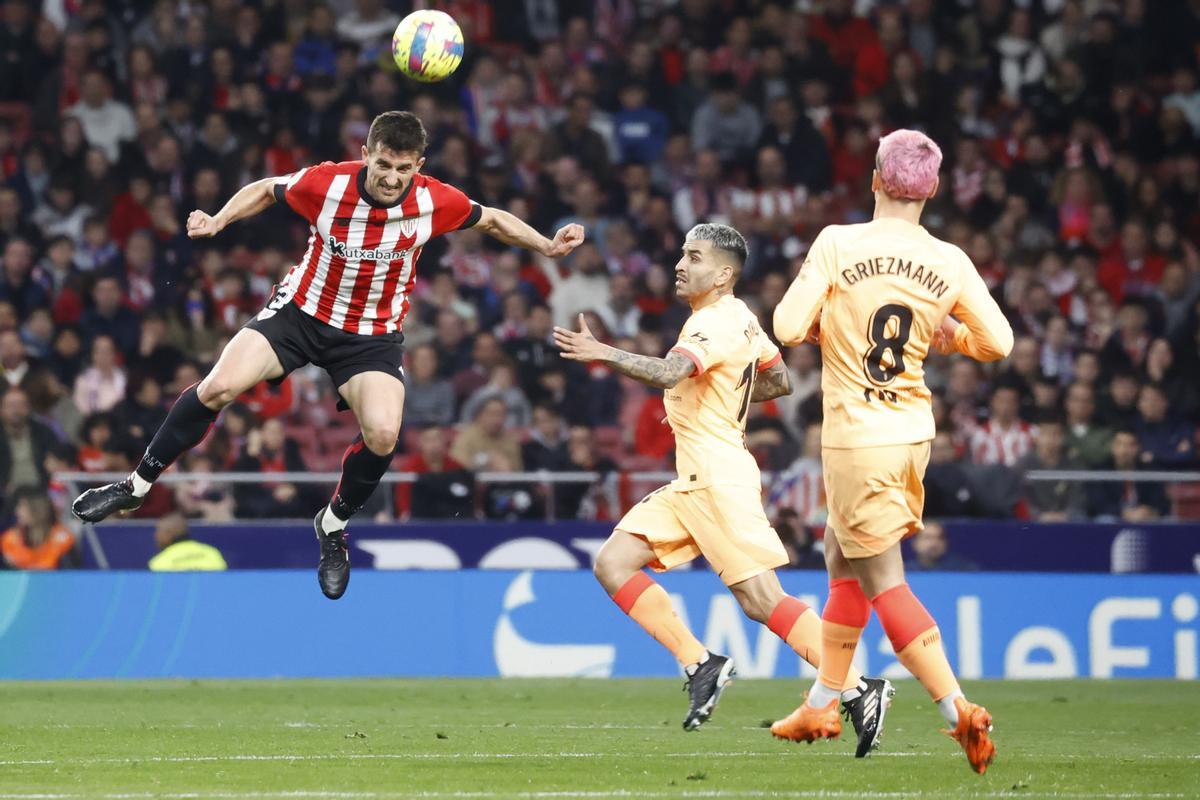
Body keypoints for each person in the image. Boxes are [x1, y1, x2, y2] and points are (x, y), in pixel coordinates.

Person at [71, 111, 583, 600]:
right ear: (366, 154)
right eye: (383, 164)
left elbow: (490, 219)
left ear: (419, 167)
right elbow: (265, 189)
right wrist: (219, 219)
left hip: (370, 335)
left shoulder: (434, 200)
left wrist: (546, 246)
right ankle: (137, 485)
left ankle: (332, 525)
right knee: (219, 386)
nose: (391, 177)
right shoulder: (328, 183)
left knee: (383, 433)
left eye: (404, 169)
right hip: (300, 312)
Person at [555, 223, 891, 755]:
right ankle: (700, 662)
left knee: (762, 600)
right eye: (682, 253)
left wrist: (603, 351)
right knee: (612, 563)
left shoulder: (710, 324)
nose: (681, 264)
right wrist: (711, 400)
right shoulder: (742, 318)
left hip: (716, 477)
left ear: (724, 273)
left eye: (695, 257)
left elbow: (670, 373)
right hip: (694, 477)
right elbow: (777, 381)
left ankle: (856, 686)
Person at [770, 130, 1012, 774]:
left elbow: (787, 328)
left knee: (883, 579)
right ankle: (822, 699)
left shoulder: (836, 243)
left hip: (857, 439)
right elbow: (1001, 344)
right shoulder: (950, 260)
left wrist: (829, 315)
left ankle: (959, 712)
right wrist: (951, 335)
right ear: (931, 190)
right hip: (911, 433)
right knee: (838, 554)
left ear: (874, 178)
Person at [1, 487, 76, 570]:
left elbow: (71, 575)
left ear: (37, 509)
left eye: (23, 507)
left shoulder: (63, 539)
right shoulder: (9, 539)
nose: (17, 511)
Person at [148, 512, 227, 571]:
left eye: (159, 531)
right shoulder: (212, 553)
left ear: (169, 533)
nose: (155, 536)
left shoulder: (159, 563)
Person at [905, 521, 978, 572]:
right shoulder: (904, 572)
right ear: (915, 543)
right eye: (927, 537)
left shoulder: (963, 570)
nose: (934, 543)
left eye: (940, 538)